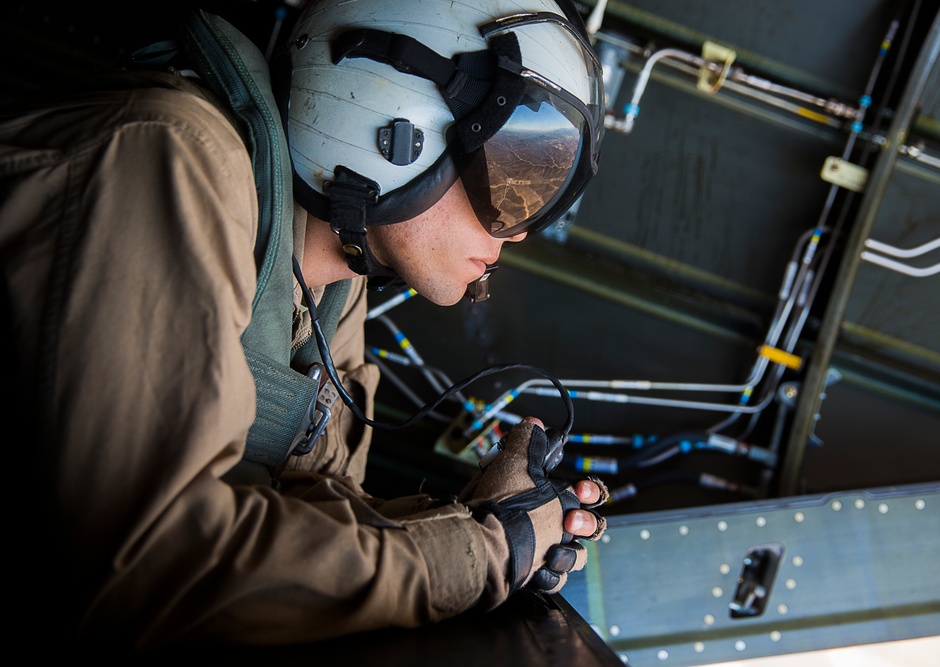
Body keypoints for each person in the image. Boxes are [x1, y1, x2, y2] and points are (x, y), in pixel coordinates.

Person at [0, 0, 607, 649]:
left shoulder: (334, 284)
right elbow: (156, 571)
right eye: (510, 176)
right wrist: (488, 551)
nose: (515, 229)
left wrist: (480, 517)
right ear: (393, 117)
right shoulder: (174, 158)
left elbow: (298, 520)